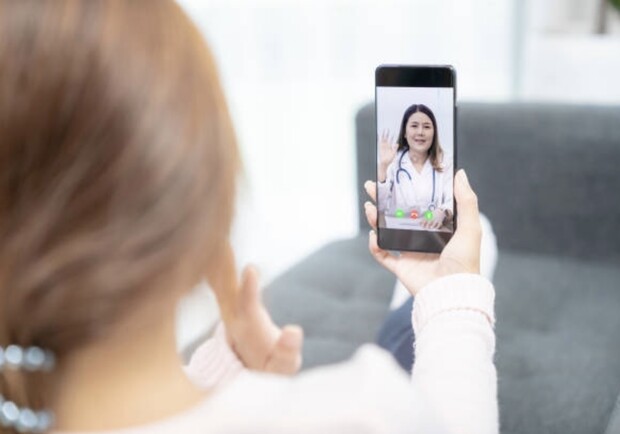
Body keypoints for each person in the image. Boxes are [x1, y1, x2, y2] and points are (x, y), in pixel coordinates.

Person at [0, 1, 497, 433]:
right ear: (207, 220)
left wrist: (222, 373)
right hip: (419, 350)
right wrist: (454, 301)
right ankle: (425, 295)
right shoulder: (367, 410)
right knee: (421, 315)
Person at [378, 104, 453, 231]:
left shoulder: (446, 161)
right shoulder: (393, 160)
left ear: (434, 133)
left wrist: (442, 211)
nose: (420, 132)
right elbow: (380, 205)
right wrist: (383, 166)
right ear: (405, 132)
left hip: (433, 233)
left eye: (427, 127)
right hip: (398, 233)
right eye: (414, 126)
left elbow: (453, 200)